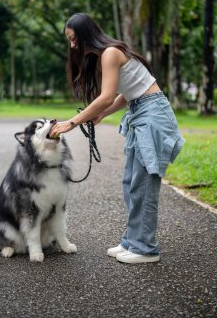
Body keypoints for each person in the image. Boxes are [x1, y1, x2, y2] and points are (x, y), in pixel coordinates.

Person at [50, 13, 184, 264]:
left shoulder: (110, 53)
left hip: (152, 115)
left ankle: (146, 248)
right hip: (141, 111)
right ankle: (132, 241)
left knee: (143, 185)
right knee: (131, 183)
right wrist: (100, 115)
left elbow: (107, 96)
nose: (72, 45)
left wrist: (72, 122)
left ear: (84, 34)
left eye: (72, 39)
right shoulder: (109, 54)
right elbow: (126, 94)